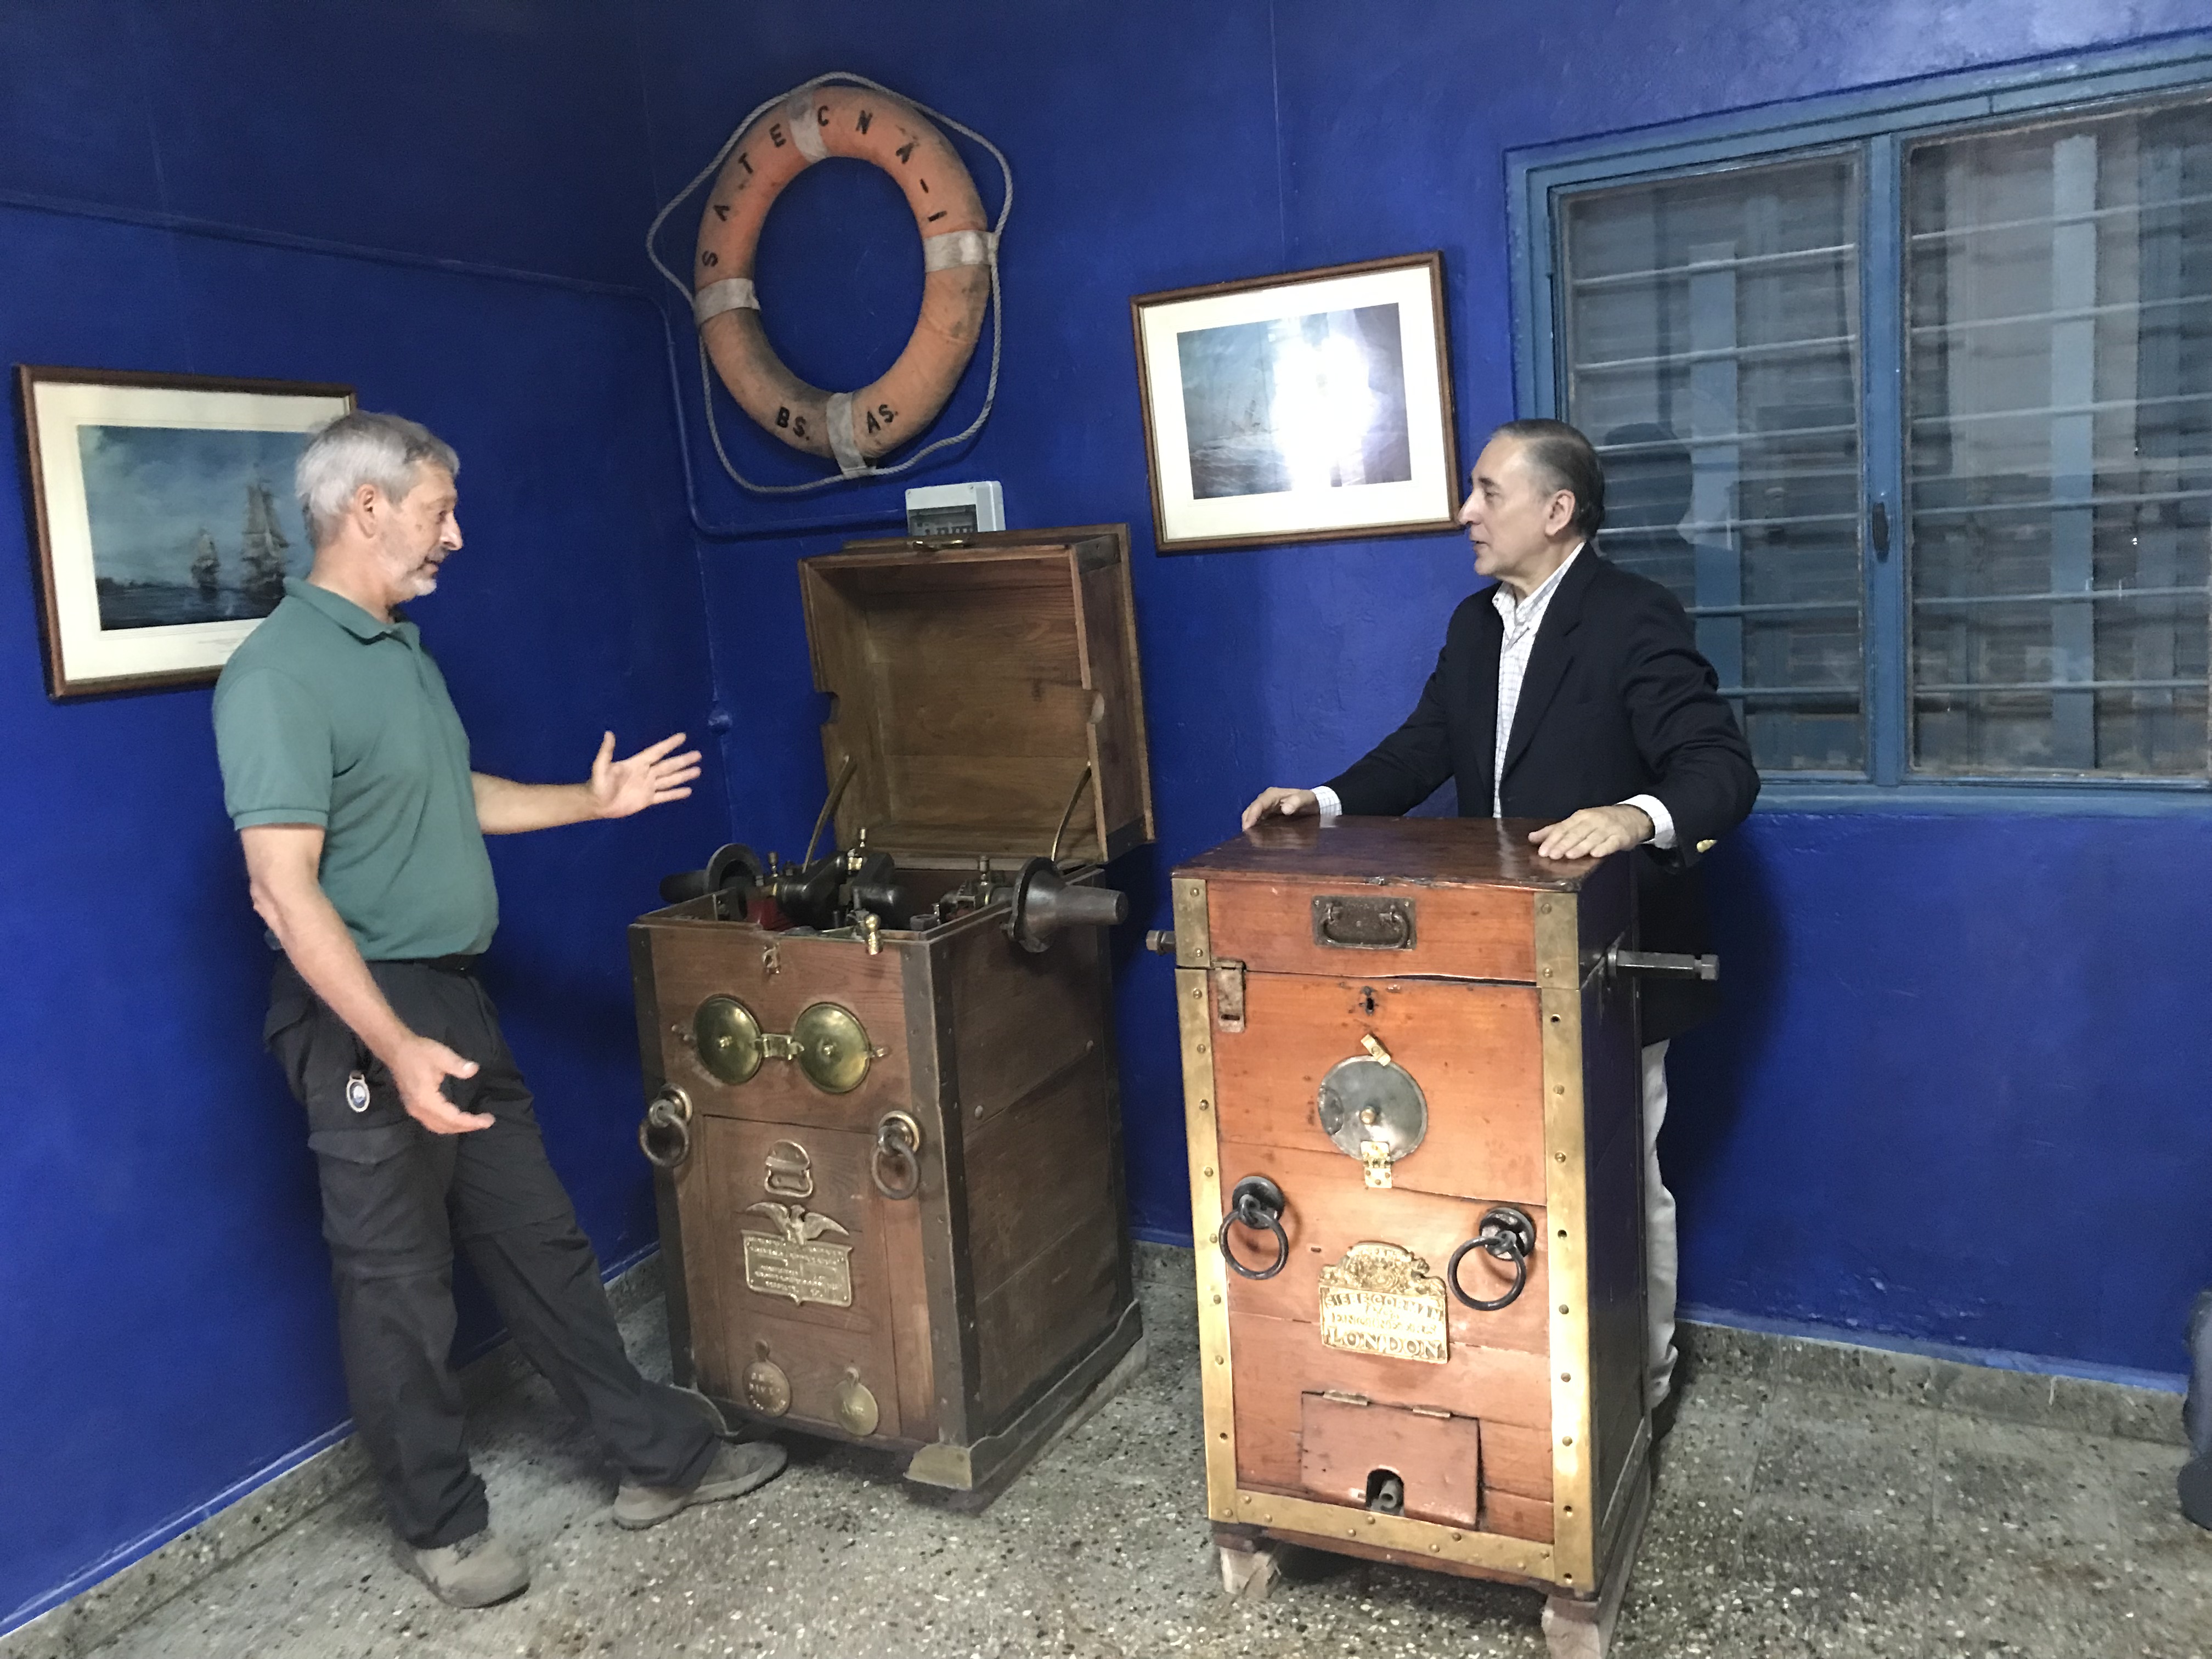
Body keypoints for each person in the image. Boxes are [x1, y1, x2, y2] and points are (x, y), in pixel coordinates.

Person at [212, 412, 785, 1610]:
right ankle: (440, 1526)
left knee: (540, 1243)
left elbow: (446, 795)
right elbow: (282, 884)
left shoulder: (397, 651)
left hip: (449, 1001)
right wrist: (393, 1043)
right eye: (438, 512)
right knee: (398, 1286)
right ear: (366, 509)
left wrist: (588, 801)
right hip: (367, 1021)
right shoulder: (276, 673)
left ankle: (657, 1460)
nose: (456, 536)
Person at [1242, 417, 1759, 1430]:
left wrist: (1630, 816)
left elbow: (1720, 771)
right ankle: (1519, 1385)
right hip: (1489, 969)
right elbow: (1423, 747)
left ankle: (1637, 1387)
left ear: (1557, 512)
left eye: (1487, 492)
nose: (1465, 512)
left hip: (1605, 966)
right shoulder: (1477, 625)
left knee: (1618, 1176)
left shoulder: (1634, 616)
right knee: (1494, 1178)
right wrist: (1327, 799)